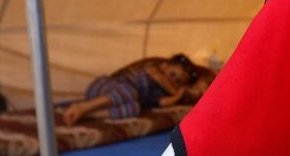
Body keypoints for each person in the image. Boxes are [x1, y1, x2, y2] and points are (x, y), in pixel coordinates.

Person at [62, 54, 199, 126]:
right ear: (165, 65)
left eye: (178, 81)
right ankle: (82, 107)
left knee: (135, 108)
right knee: (129, 92)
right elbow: (160, 79)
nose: (172, 81)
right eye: (173, 74)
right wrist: (176, 91)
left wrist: (179, 95)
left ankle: (87, 115)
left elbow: (163, 103)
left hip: (125, 99)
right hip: (102, 87)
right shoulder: (153, 69)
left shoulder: (160, 93)